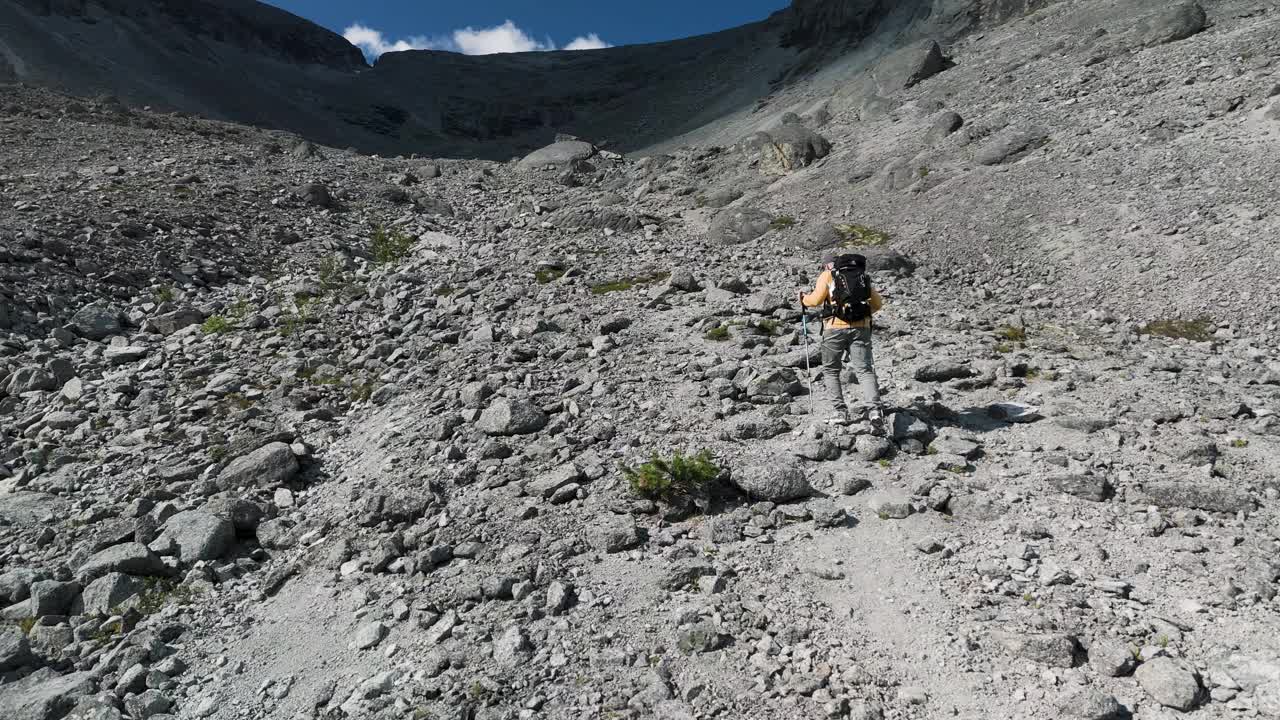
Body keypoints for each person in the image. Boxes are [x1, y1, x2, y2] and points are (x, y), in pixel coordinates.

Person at [797, 251, 885, 426]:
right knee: (865, 370)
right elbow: (877, 304)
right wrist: (860, 317)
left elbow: (815, 301)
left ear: (827, 265)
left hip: (834, 328)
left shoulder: (827, 275)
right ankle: (875, 412)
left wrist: (802, 298)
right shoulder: (861, 275)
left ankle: (840, 412)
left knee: (831, 371)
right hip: (861, 328)